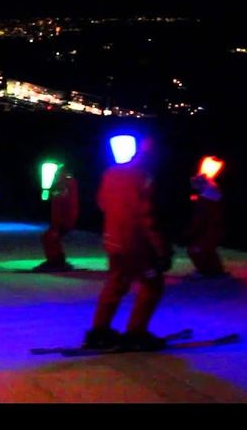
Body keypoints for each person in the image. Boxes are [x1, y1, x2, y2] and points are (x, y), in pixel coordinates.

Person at [85, 138, 173, 351]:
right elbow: (147, 216)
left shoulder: (111, 172)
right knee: (152, 284)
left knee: (115, 283)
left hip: (113, 240)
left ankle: (99, 331)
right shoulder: (144, 177)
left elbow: (102, 203)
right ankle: (136, 332)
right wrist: (161, 249)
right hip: (137, 245)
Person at [33, 168, 79, 272]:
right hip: (65, 217)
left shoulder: (63, 183)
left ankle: (56, 261)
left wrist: (56, 223)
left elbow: (58, 202)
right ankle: (58, 260)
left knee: (50, 237)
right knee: (50, 237)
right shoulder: (67, 181)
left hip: (63, 218)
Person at [185, 174, 227, 278]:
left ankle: (204, 271)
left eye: (195, 184)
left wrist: (190, 232)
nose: (193, 187)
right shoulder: (214, 195)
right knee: (209, 251)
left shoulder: (205, 201)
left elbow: (200, 219)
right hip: (215, 231)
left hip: (209, 232)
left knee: (195, 250)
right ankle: (217, 271)